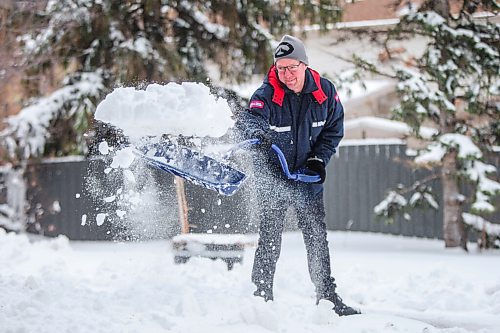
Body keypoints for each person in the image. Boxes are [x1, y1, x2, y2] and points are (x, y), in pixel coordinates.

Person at [235, 35, 360, 316]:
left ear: (304, 65)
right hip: (273, 177)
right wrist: (257, 132)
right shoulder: (266, 95)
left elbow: (333, 129)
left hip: (306, 178)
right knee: (269, 237)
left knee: (316, 237)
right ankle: (261, 297)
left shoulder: (324, 92)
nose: (286, 74)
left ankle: (327, 299)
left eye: (292, 67)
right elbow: (250, 120)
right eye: (281, 69)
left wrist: (318, 160)